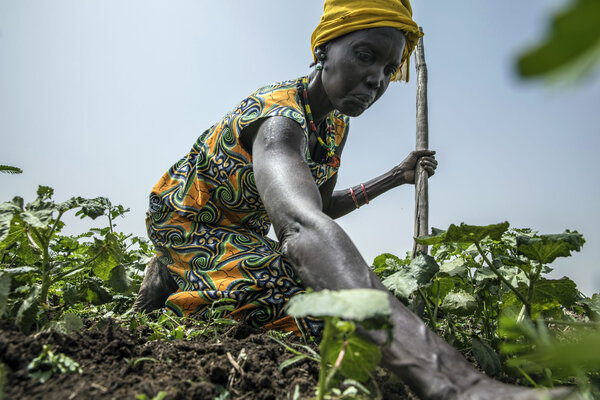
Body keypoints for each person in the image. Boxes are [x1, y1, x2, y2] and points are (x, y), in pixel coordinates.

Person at [133, 1, 577, 399]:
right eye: (366, 56)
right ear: (323, 50)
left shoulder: (333, 126)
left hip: (242, 229)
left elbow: (318, 206)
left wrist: (394, 177)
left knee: (322, 296)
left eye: (388, 68)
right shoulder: (279, 121)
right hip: (186, 219)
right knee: (305, 308)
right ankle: (178, 275)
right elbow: (301, 226)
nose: (377, 79)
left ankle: (189, 271)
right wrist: (460, 381)